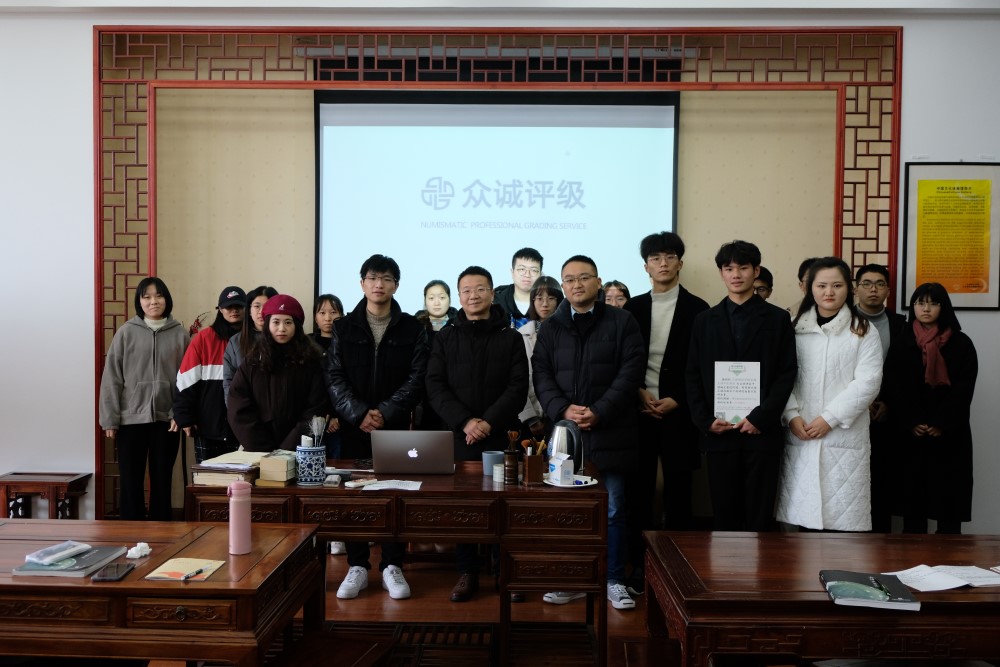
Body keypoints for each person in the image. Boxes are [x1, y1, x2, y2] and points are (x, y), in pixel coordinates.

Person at [532, 255, 645, 611]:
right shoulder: (551, 327)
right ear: (563, 285)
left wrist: (600, 410)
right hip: (567, 435)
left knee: (613, 509)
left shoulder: (622, 321)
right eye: (570, 279)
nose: (577, 284)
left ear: (598, 282)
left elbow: (631, 370)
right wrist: (563, 410)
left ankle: (614, 580)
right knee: (568, 512)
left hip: (613, 431)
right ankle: (572, 580)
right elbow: (541, 374)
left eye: (584, 277)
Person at [324, 254, 429, 601]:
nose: (378, 284)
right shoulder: (343, 328)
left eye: (386, 278)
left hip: (394, 425)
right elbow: (334, 376)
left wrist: (385, 412)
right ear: (362, 283)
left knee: (394, 494)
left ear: (396, 284)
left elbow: (417, 378)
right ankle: (357, 565)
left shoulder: (412, 328)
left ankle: (391, 565)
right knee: (355, 495)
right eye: (372, 278)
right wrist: (358, 413)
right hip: (354, 426)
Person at [425, 266, 528, 602]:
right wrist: (466, 422)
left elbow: (517, 387)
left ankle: (504, 572)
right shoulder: (446, 337)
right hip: (460, 436)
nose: (473, 296)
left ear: (492, 293)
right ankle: (467, 572)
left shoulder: (510, 337)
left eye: (480, 289)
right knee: (464, 508)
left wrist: (487, 423)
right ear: (459, 296)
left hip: (501, 436)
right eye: (466, 290)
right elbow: (435, 385)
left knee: (504, 506)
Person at [685, 241, 797, 532]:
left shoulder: (778, 318)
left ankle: (760, 564)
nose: (736, 275)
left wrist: (761, 417)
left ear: (756, 271)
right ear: (721, 273)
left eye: (743, 268)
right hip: (719, 432)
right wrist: (705, 421)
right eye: (729, 268)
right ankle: (727, 563)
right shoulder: (704, 321)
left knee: (760, 515)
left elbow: (786, 373)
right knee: (725, 514)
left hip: (761, 432)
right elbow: (692, 375)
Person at [622, 232, 709, 593]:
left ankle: (679, 569)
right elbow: (623, 361)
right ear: (646, 267)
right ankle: (638, 566)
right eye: (655, 258)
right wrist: (637, 392)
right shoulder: (632, 309)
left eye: (669, 257)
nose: (663, 263)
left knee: (679, 491)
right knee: (638, 492)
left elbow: (704, 366)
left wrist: (679, 399)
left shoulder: (699, 309)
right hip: (638, 411)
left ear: (680, 263)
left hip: (679, 411)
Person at [775, 257, 882, 531]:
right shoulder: (794, 327)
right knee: (801, 518)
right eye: (821, 285)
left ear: (850, 288)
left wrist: (830, 418)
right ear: (809, 288)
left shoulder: (863, 330)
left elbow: (868, 382)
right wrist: (791, 415)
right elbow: (781, 376)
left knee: (843, 521)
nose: (829, 292)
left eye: (837, 285)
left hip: (843, 434)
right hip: (800, 430)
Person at [99, 277, 189, 520]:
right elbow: (112, 378)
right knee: (130, 481)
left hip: (167, 420)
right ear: (139, 301)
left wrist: (180, 414)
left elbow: (187, 380)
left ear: (167, 299)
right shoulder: (126, 332)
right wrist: (109, 419)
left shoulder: (180, 334)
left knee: (162, 479)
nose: (153, 301)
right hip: (130, 419)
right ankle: (131, 530)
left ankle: (161, 531)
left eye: (159, 296)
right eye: (146, 297)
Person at [891, 283, 978, 534]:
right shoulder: (902, 341)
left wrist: (942, 422)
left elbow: (965, 388)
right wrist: (911, 420)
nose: (926, 308)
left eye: (933, 303)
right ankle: (913, 557)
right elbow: (894, 385)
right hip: (912, 434)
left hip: (950, 434)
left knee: (949, 504)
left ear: (944, 307)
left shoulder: (961, 343)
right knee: (913, 507)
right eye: (920, 303)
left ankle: (949, 556)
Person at [227, 294, 330, 452]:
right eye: (276, 322)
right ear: (267, 324)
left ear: (296, 326)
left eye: (288, 322)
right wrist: (264, 448)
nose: (282, 328)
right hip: (258, 451)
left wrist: (287, 450)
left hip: (300, 451)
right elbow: (238, 407)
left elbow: (315, 409)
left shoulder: (311, 361)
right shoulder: (252, 361)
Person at [854, 264, 906, 532]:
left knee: (884, 480)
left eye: (879, 283)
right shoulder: (844, 320)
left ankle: (881, 539)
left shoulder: (901, 325)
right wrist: (860, 402)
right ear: (856, 288)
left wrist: (890, 403)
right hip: (851, 413)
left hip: (887, 414)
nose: (873, 289)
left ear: (888, 289)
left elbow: (905, 372)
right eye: (866, 283)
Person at [174, 285, 245, 463]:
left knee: (243, 479)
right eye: (229, 307)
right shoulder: (204, 338)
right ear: (220, 309)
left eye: (238, 306)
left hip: (245, 427)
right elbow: (186, 379)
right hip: (208, 426)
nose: (234, 310)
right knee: (207, 479)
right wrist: (184, 417)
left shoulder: (255, 339)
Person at [517, 276, 563, 440]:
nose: (544, 304)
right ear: (532, 301)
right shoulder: (520, 335)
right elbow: (516, 381)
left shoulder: (568, 333)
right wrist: (530, 417)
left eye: (551, 298)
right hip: (529, 418)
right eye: (539, 298)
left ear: (559, 301)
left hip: (561, 414)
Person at [223, 285, 278, 404]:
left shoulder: (284, 339)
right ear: (249, 310)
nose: (261, 311)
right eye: (257, 306)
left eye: (267, 306)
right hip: (244, 410)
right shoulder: (235, 342)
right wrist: (236, 411)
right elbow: (229, 383)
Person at [494, 247, 543, 329]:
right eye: (522, 269)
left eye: (534, 270)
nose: (527, 275)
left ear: (540, 275)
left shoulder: (552, 304)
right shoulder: (494, 302)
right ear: (512, 272)